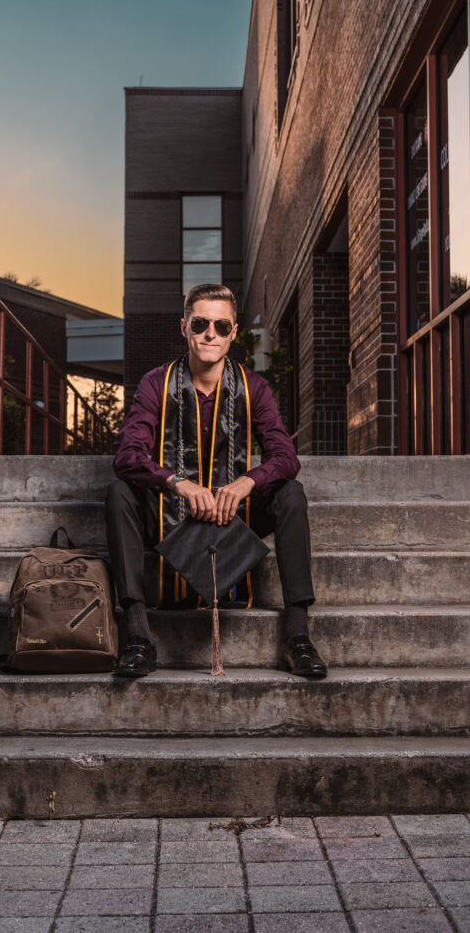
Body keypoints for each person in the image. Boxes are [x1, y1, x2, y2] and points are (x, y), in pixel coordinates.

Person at [105, 282, 327, 680]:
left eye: (221, 327)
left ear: (233, 333)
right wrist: (176, 482)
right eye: (201, 323)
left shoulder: (253, 388)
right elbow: (127, 457)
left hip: (233, 512)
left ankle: (297, 637)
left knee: (291, 494)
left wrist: (248, 482)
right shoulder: (157, 383)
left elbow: (285, 457)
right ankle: (138, 635)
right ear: (184, 327)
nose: (211, 334)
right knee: (119, 492)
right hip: (169, 512)